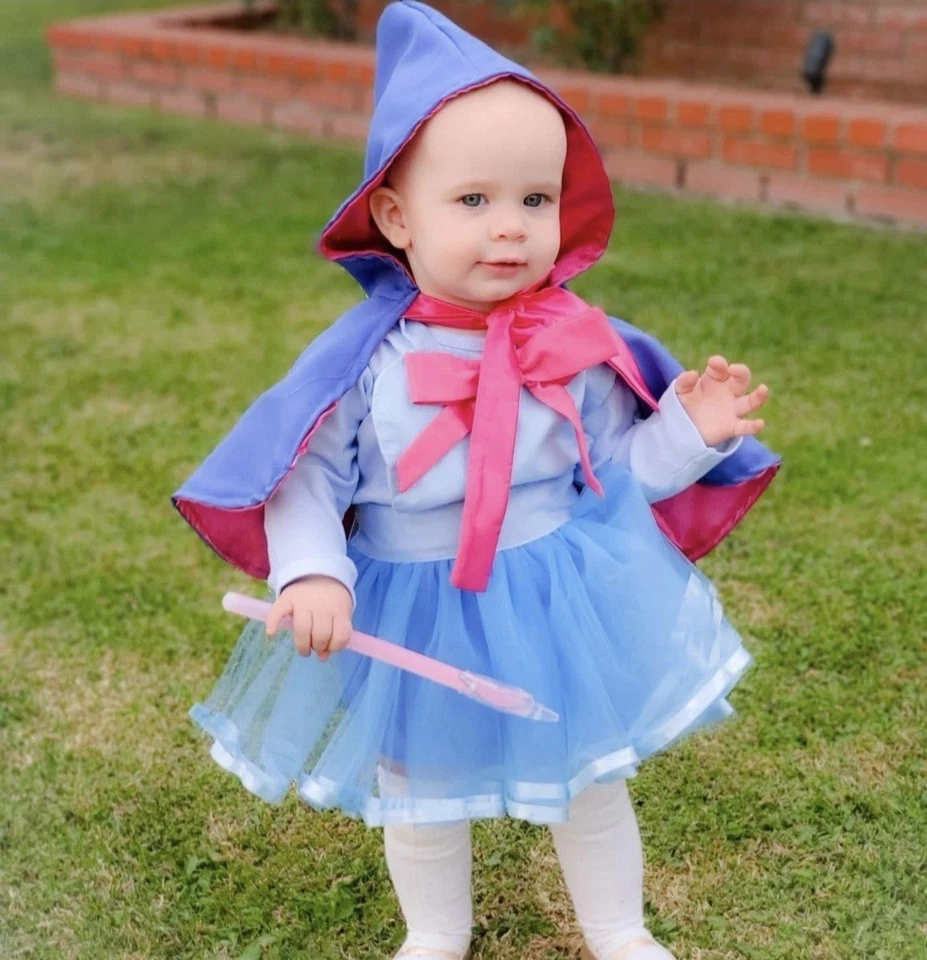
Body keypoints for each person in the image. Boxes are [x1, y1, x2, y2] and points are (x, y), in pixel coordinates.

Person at [173, 3, 780, 958]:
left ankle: (618, 928)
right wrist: (311, 572)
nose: (510, 230)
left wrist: (687, 434)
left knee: (587, 776)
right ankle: (435, 934)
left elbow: (616, 475)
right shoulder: (368, 362)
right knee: (419, 790)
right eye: (474, 202)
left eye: (535, 201)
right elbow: (305, 476)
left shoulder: (573, 343)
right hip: (410, 598)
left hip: (552, 587)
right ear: (396, 216)